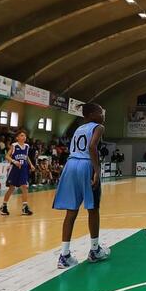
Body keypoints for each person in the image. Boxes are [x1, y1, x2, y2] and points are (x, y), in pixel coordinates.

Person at [53, 103, 109, 268]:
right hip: (85, 164)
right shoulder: (98, 127)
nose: (103, 115)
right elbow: (92, 147)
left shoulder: (79, 128)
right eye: (101, 112)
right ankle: (94, 250)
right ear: (92, 114)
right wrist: (97, 170)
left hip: (70, 165)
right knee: (93, 209)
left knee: (71, 211)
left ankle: (64, 255)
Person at [0, 129, 33, 217]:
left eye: (24, 135)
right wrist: (14, 161)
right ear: (17, 137)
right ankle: (4, 206)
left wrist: (31, 165)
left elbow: (26, 157)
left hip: (24, 169)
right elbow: (7, 156)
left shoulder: (27, 146)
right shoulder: (14, 145)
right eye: (21, 135)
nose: (24, 137)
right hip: (15, 169)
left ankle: (25, 207)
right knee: (11, 188)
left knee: (25, 187)